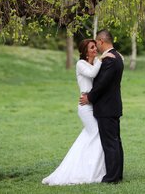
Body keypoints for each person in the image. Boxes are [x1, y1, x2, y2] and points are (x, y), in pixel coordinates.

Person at [42, 39, 114, 185]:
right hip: (85, 107)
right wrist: (102, 58)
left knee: (88, 137)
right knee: (97, 134)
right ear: (85, 51)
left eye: (95, 47)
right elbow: (93, 75)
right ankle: (88, 170)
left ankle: (87, 167)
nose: (95, 49)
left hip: (93, 104)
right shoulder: (81, 64)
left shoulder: (94, 63)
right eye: (92, 48)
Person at [80, 29, 124, 183]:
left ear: (101, 41)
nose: (96, 47)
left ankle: (111, 177)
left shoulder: (110, 60)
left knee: (110, 143)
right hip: (113, 106)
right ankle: (117, 174)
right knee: (115, 141)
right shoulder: (117, 56)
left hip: (106, 108)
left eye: (96, 44)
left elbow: (102, 84)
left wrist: (89, 97)